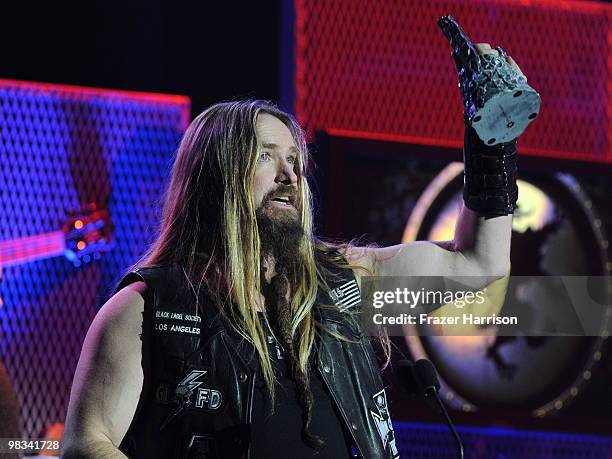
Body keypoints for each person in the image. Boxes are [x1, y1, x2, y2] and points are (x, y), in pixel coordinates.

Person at [61, 43, 520, 459]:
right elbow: (86, 445)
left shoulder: (344, 288)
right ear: (214, 176)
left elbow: (478, 263)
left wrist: (491, 146)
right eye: (265, 155)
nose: (290, 174)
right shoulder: (146, 310)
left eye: (296, 161)